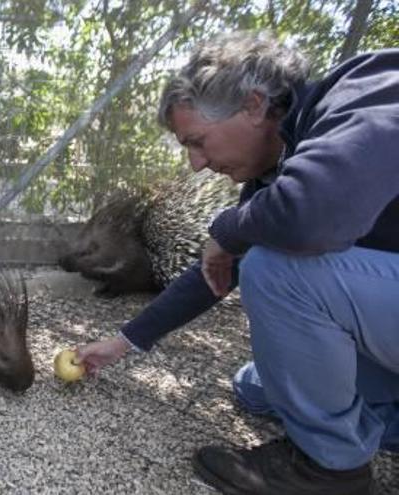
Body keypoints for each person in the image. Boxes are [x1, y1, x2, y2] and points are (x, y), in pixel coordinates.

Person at [76, 31, 399, 494]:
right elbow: (213, 275)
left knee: (274, 268)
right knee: (256, 387)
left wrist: (228, 229)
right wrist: (124, 342)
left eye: (199, 142)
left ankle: (331, 467)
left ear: (252, 105)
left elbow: (311, 217)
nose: (195, 163)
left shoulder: (367, 90)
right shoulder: (271, 179)